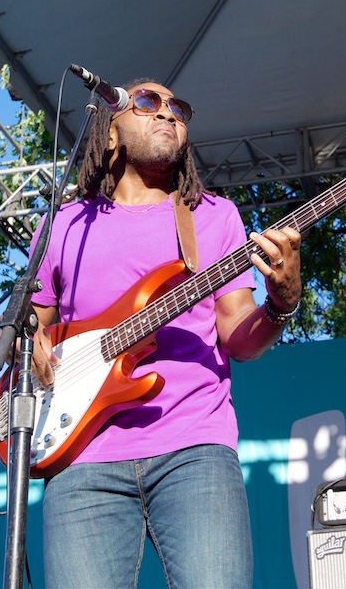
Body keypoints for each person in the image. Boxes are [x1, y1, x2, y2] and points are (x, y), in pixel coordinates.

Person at [27, 78, 302, 588]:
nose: (168, 113)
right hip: (80, 454)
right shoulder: (64, 224)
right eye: (148, 103)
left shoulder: (213, 218)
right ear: (110, 133)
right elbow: (32, 325)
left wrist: (282, 305)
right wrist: (32, 347)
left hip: (194, 445)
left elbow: (238, 338)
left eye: (178, 108)